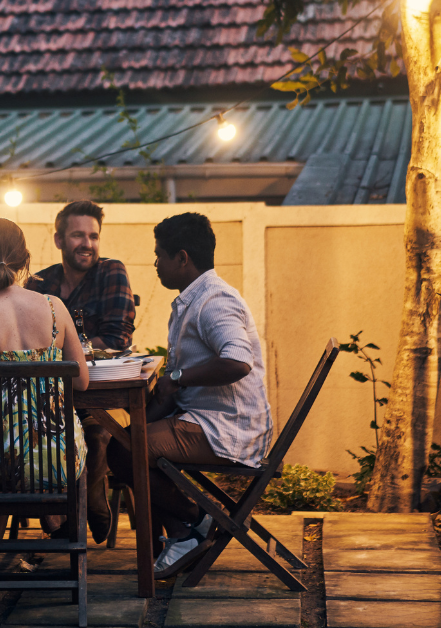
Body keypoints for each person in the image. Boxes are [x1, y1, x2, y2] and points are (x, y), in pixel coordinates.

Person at [106, 212, 272, 578]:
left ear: (182, 258)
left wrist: (178, 377)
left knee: (126, 450)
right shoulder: (193, 299)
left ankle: (192, 524)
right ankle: (187, 529)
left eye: (160, 255)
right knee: (122, 442)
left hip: (229, 428)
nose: (155, 263)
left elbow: (238, 361)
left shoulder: (214, 301)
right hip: (205, 419)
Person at [0, 217, 89, 572]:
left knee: (4, 442)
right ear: (26, 260)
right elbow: (82, 382)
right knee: (35, 446)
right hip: (58, 459)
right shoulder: (56, 308)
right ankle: (73, 553)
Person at [24, 200, 136, 543]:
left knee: (97, 428)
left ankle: (91, 504)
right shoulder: (39, 283)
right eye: (77, 235)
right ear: (59, 239)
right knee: (36, 429)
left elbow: (118, 337)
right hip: (51, 396)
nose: (87, 243)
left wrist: (60, 351)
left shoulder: (111, 271)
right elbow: (26, 343)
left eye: (93, 235)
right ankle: (66, 514)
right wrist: (75, 349)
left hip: (102, 391)